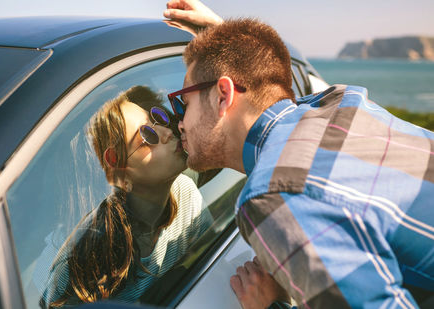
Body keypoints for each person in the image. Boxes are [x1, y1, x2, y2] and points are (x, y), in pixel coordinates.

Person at [164, 1, 434, 308]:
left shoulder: (276, 196)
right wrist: (225, 41)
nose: (179, 122)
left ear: (223, 95)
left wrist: (271, 306)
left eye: (182, 102)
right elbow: (270, 91)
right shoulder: (341, 101)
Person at [40, 86, 212, 308]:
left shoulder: (185, 193)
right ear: (119, 175)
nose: (167, 131)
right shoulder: (73, 262)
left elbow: (214, 266)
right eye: (147, 136)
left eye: (157, 118)